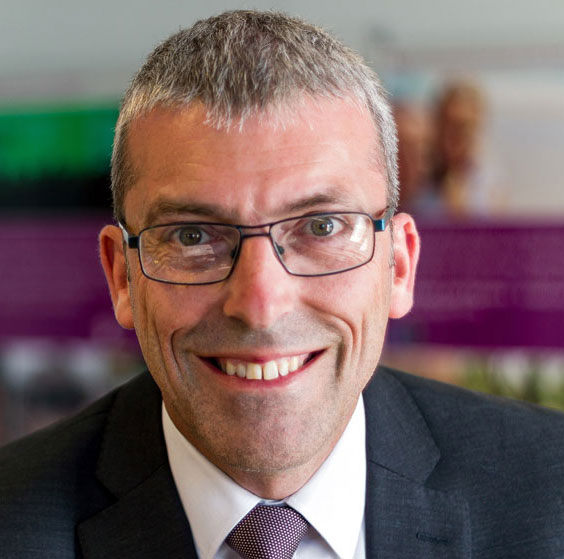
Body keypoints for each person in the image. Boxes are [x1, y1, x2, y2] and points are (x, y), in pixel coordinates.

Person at [1, 10, 564, 558]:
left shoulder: (549, 493)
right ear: (122, 277)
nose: (260, 305)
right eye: (193, 236)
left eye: (321, 227)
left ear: (398, 265)